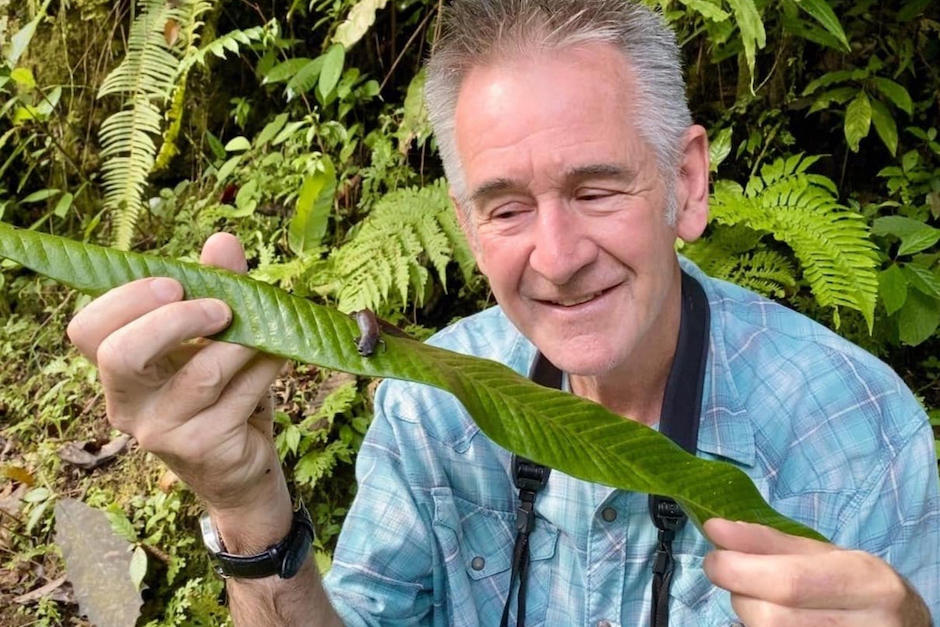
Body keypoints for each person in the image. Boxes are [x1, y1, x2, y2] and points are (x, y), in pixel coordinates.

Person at [66, 0, 939, 624]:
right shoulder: (430, 398)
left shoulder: (851, 430)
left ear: (688, 182)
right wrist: (250, 511)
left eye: (596, 189)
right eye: (507, 207)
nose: (556, 259)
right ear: (465, 225)